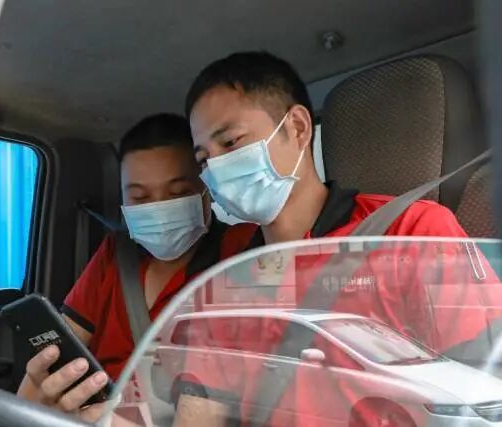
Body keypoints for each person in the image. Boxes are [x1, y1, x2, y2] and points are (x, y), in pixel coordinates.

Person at [173, 51, 500, 427]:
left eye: (230, 142)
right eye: (204, 160)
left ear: (298, 128)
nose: (216, 168)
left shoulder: (411, 234)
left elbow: (487, 394)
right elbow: (201, 409)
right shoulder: (231, 280)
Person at [15, 113, 257, 423]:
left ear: (206, 188)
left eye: (178, 193)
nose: (158, 208)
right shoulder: (116, 253)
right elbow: (56, 352)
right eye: (140, 197)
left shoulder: (240, 251)